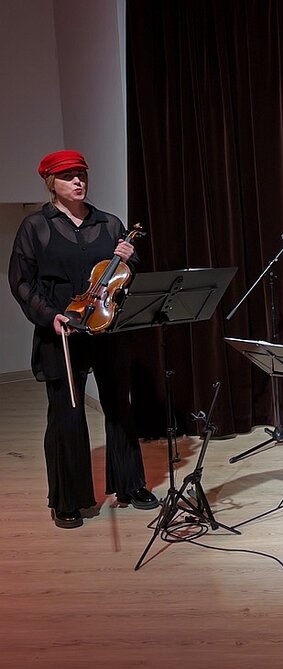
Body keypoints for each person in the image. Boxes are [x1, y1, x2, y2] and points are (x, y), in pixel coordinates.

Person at [8, 150, 160, 529]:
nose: (78, 181)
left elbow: (122, 277)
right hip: (62, 329)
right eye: (68, 176)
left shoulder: (109, 223)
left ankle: (130, 484)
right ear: (51, 183)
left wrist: (130, 257)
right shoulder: (35, 226)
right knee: (66, 413)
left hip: (106, 327)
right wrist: (50, 316)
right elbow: (21, 281)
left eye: (81, 174)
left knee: (119, 406)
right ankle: (69, 499)